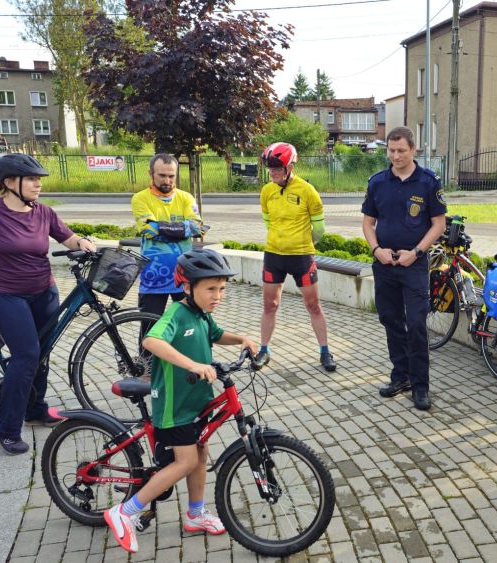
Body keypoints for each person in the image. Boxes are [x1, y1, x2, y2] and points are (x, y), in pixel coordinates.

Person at [104, 249, 257, 554]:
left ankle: (196, 514)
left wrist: (242, 339)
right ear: (187, 287)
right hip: (174, 406)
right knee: (186, 461)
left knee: (200, 454)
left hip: (195, 402)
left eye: (222, 289)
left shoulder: (202, 313)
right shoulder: (176, 313)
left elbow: (216, 333)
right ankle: (125, 512)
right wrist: (193, 365)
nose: (218, 296)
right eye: (210, 289)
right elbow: (152, 340)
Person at [0, 154, 97, 455]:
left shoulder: (43, 212)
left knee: (41, 353)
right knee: (27, 356)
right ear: (9, 183)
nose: (38, 184)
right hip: (6, 295)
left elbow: (68, 238)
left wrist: (84, 243)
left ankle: (34, 409)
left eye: (39, 179)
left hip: (44, 292)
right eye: (32, 179)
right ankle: (5, 426)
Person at [362, 127, 446, 411]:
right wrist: (377, 250)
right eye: (391, 150)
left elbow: (439, 224)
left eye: (401, 150)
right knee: (390, 319)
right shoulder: (377, 183)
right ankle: (401, 377)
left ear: (413, 149)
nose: (396, 156)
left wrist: (417, 252)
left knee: (417, 324)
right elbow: (367, 223)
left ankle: (420, 387)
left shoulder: (428, 182)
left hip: (414, 265)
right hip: (384, 264)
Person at [256, 142, 335, 371]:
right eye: (270, 169)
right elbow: (268, 221)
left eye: (277, 169)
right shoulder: (266, 191)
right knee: (269, 305)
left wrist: (302, 243)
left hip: (301, 257)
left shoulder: (307, 191)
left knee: (313, 305)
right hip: (274, 255)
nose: (272, 173)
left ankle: (325, 351)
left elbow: (319, 230)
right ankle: (263, 350)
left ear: (290, 167)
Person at [131, 153, 204, 333]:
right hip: (154, 278)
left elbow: (197, 228)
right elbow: (149, 230)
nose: (167, 180)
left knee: (191, 328)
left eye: (171, 176)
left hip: (185, 275)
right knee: (150, 330)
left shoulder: (186, 198)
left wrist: (161, 228)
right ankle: (145, 363)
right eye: (162, 175)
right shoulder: (140, 198)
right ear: (151, 174)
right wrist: (182, 229)